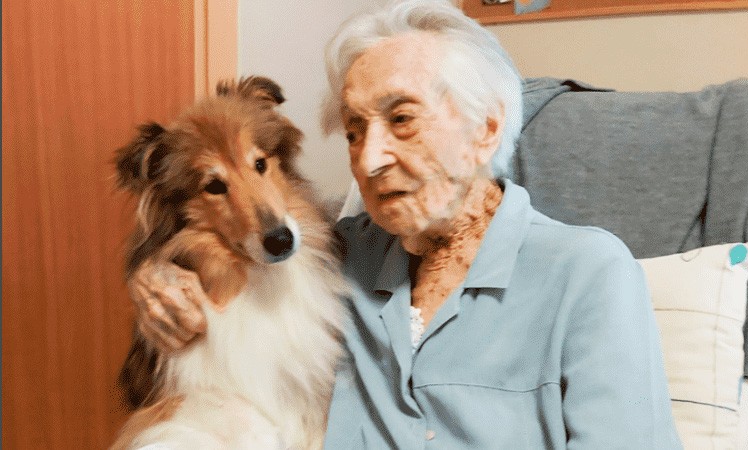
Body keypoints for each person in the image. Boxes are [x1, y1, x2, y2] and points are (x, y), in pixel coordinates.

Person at [128, 1, 683, 448]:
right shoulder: (339, 260)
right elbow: (224, 262)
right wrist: (155, 278)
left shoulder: (586, 273)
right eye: (353, 132)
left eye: (401, 119)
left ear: (486, 130)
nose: (368, 160)